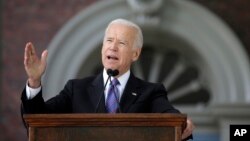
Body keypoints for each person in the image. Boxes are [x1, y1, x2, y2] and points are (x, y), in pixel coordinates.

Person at [21, 18, 194, 140]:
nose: (113, 47)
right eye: (109, 40)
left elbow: (169, 116)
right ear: (103, 47)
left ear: (135, 53)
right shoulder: (76, 90)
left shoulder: (150, 92)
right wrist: (34, 81)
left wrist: (182, 123)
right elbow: (37, 118)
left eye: (122, 43)